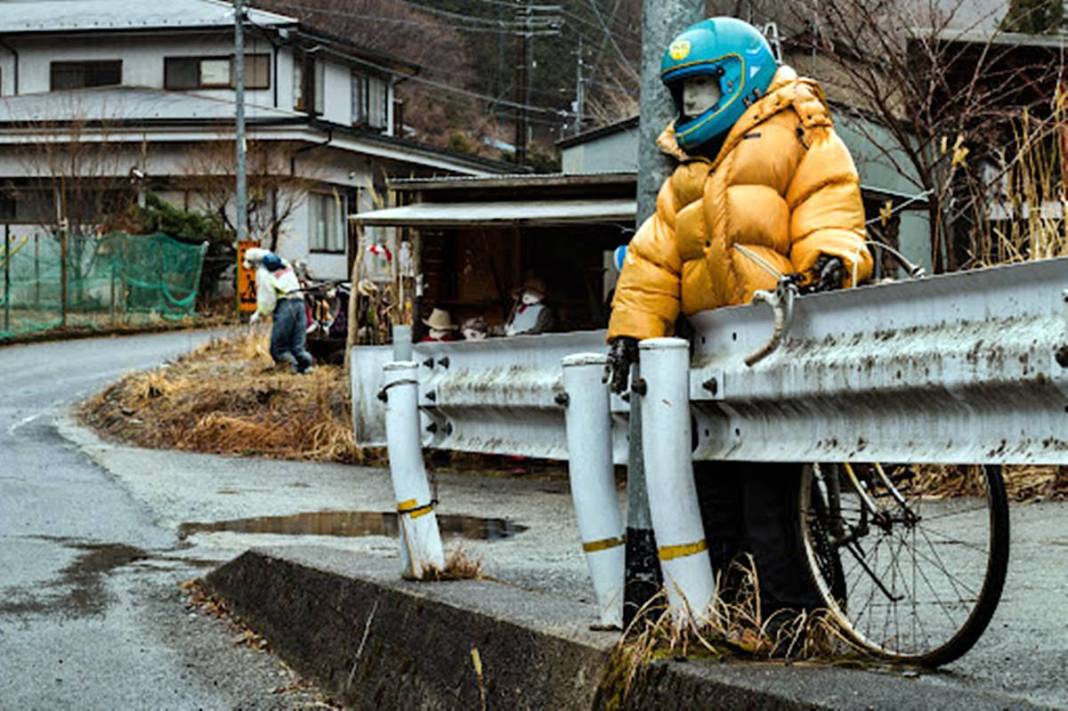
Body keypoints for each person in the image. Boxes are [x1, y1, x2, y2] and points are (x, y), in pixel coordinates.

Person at [604, 18, 873, 618]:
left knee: (771, 499)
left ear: (740, 77)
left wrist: (829, 257)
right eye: (682, 93)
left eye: (701, 87)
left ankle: (796, 621)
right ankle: (734, 615)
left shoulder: (798, 128)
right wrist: (631, 330)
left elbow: (829, 203)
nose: (691, 103)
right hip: (713, 365)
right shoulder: (687, 173)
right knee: (715, 497)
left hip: (777, 347)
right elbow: (654, 258)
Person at [244, 247, 314, 374]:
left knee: (278, 348)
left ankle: (291, 371)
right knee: (297, 347)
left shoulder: (263, 272)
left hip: (286, 306)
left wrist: (259, 313)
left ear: (255, 263)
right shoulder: (284, 263)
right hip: (300, 303)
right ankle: (307, 368)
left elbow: (267, 299)